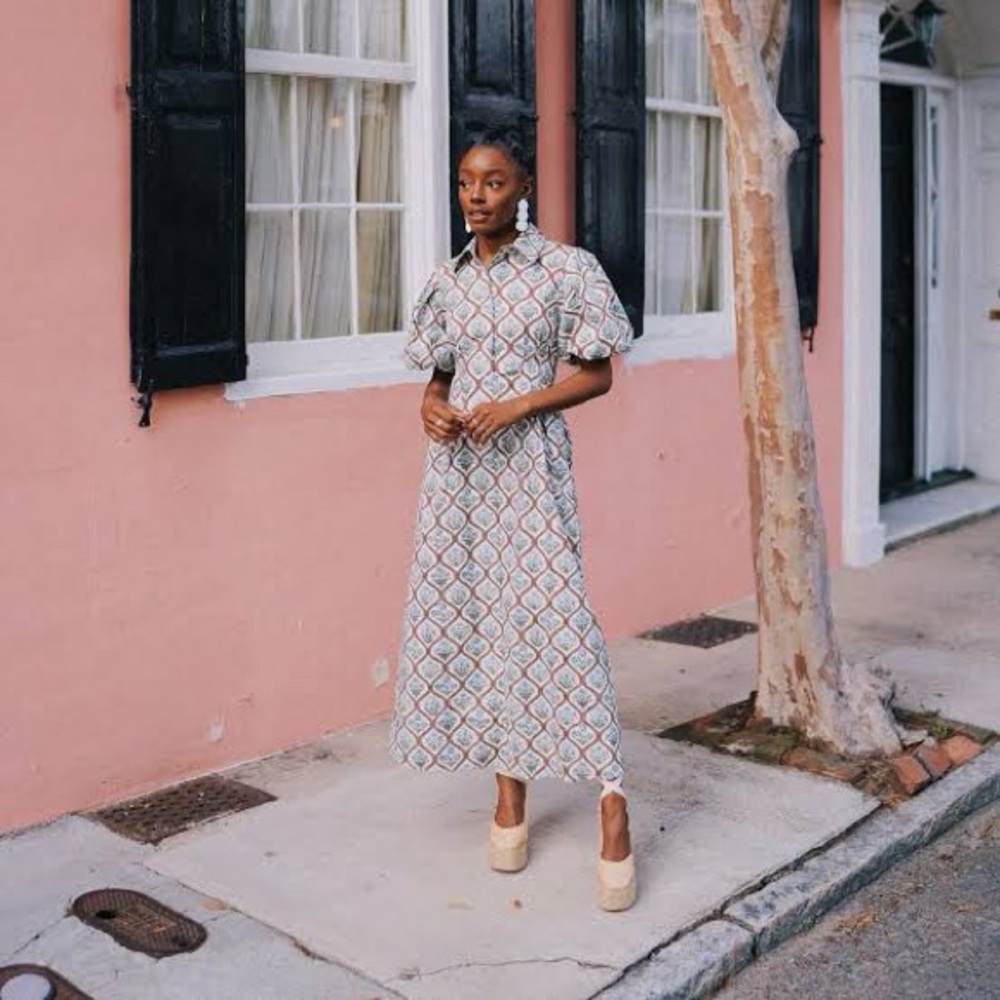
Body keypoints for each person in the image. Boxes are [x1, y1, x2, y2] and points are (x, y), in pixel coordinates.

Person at [389, 129, 635, 911]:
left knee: (556, 619)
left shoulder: (565, 270)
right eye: (466, 182)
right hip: (459, 476)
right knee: (484, 622)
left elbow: (597, 373)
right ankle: (509, 800)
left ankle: (612, 799)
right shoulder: (449, 283)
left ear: (523, 185)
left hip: (529, 466)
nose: (476, 195)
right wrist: (433, 408)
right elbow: (438, 379)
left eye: (493, 181)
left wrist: (522, 404)